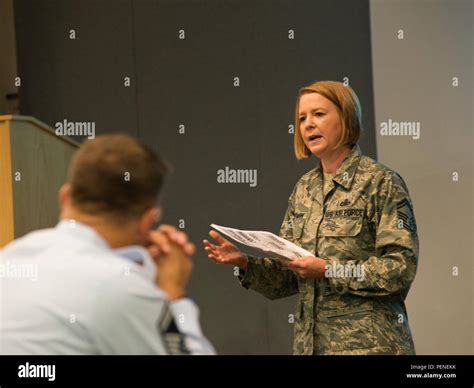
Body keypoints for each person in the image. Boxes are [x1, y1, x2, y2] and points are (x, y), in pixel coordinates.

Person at [203, 80, 418, 355]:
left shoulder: (381, 182)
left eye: (319, 114)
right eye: (302, 118)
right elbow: (288, 278)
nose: (307, 124)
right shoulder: (304, 189)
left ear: (346, 117)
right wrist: (245, 264)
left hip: (371, 347)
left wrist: (329, 269)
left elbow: (399, 269)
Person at [0, 134, 215, 355]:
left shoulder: (10, 258)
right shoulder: (123, 288)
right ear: (147, 221)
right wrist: (173, 293)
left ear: (64, 197)